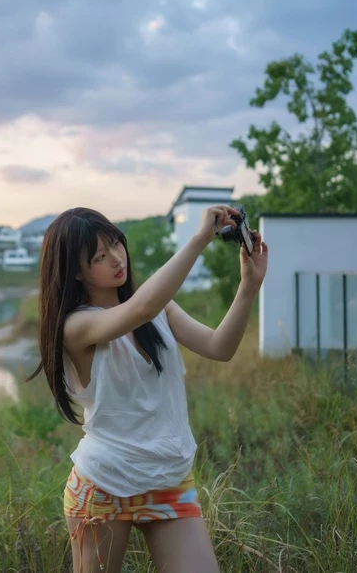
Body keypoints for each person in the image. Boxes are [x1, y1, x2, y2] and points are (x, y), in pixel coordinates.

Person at [27, 204, 269, 573]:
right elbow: (139, 308)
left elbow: (220, 347)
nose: (116, 260)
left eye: (116, 245)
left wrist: (249, 286)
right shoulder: (76, 327)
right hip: (104, 485)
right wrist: (199, 238)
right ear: (76, 272)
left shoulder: (160, 309)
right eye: (99, 257)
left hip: (169, 478)